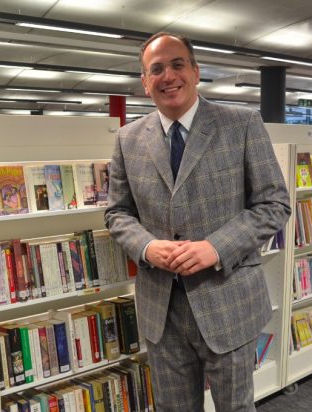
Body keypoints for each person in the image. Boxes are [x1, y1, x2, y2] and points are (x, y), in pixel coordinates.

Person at [104, 32, 291, 412]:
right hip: (162, 309)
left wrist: (216, 247)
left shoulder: (241, 124)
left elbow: (274, 203)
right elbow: (117, 212)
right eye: (156, 69)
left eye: (177, 64)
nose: (167, 76)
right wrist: (146, 246)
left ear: (195, 71)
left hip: (227, 301)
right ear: (144, 82)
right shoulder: (128, 139)